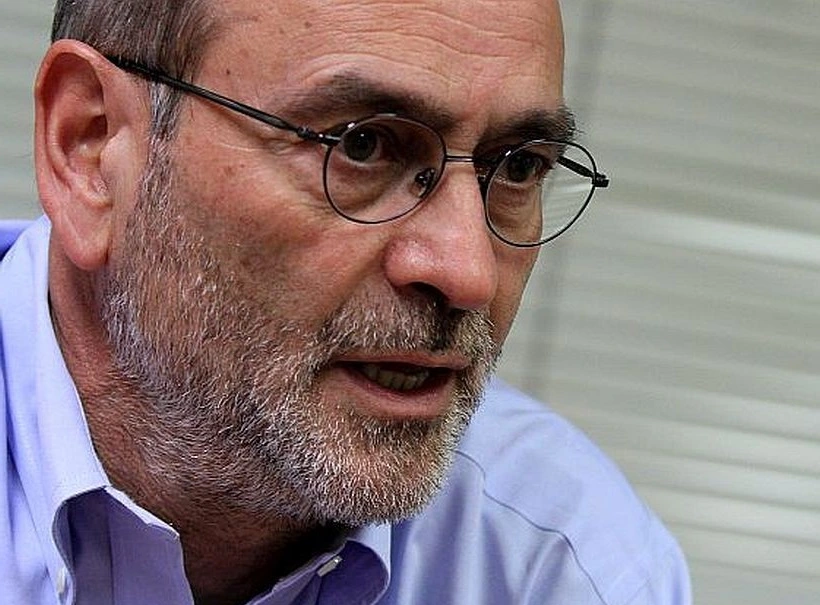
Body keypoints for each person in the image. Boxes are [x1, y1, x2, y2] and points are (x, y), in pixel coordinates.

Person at [0, 0, 691, 603]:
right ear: (90, 146)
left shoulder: (565, 564)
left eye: (518, 166)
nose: (468, 273)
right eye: (363, 146)